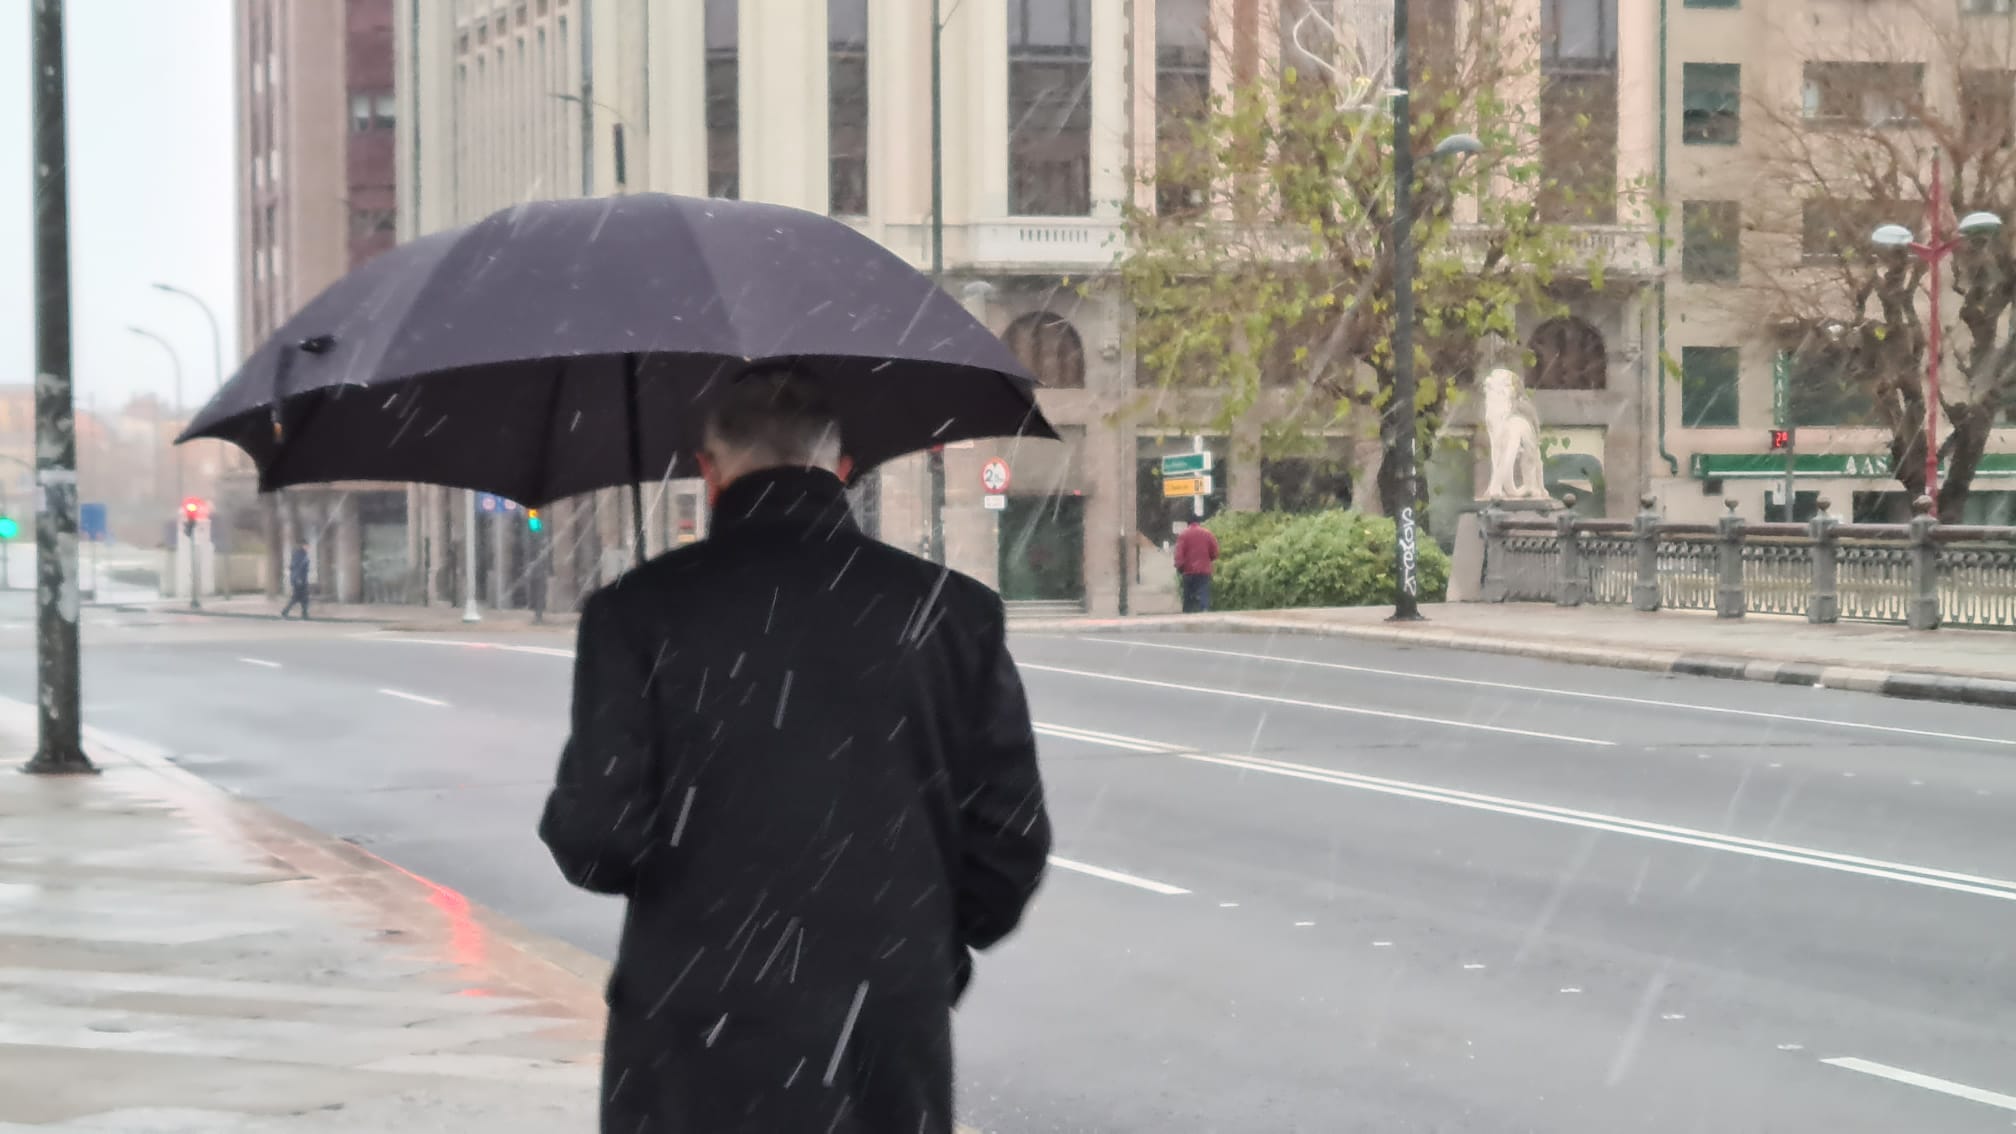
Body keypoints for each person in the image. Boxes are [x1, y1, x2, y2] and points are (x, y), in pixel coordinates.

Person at [539, 365, 1051, 1134]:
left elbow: (595, 839)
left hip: (694, 1029)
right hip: (883, 1024)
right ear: (843, 471)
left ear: (709, 474)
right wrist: (915, 949)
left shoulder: (634, 613)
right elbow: (1010, 837)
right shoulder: (952, 614)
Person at [1174, 517, 1219, 613]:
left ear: (1188, 523)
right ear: (1199, 523)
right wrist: (1208, 559)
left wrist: (1180, 567)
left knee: (1188, 596)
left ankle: (1188, 614)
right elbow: (1215, 552)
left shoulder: (1183, 535)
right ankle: (1204, 611)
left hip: (1188, 571)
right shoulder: (1207, 534)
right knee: (1204, 593)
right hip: (1204, 570)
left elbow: (1179, 554)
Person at [280, 541, 311, 619]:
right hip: (299, 580)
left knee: (302, 597)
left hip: (301, 579)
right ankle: (286, 611)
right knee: (298, 597)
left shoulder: (303, 554)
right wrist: (298, 579)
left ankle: (303, 613)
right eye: (307, 546)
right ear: (303, 546)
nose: (308, 547)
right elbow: (297, 568)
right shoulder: (300, 555)